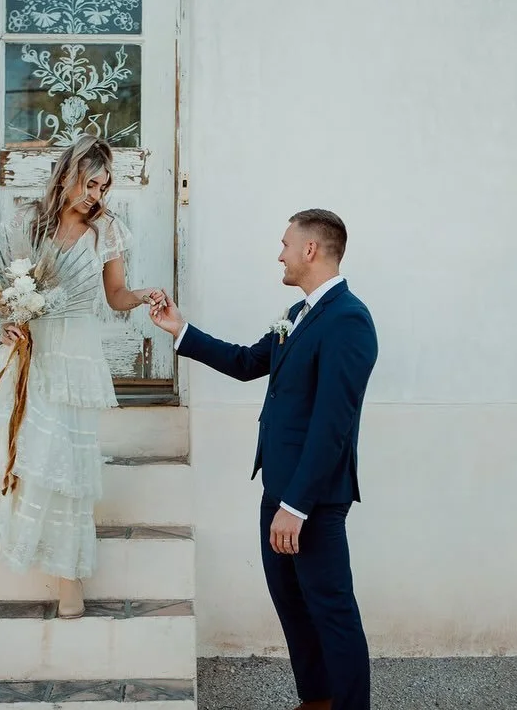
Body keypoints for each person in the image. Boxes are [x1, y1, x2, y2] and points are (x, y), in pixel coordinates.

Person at [149, 209, 378, 710]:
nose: (280, 253)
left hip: (310, 500)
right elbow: (248, 362)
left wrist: (296, 506)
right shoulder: (296, 316)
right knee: (294, 607)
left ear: (311, 250)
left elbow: (332, 424)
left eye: (285, 244)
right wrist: (180, 329)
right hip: (277, 489)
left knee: (331, 610)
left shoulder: (349, 321)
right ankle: (316, 701)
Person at [0, 135, 166, 618]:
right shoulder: (29, 221)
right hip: (32, 347)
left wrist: (143, 295)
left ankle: (69, 579)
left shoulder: (105, 230)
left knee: (66, 462)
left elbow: (115, 296)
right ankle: (25, 539)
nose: (96, 194)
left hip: (76, 351)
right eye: (91, 183)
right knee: (32, 452)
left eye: (104, 186)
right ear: (69, 173)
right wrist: (6, 318)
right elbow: (7, 289)